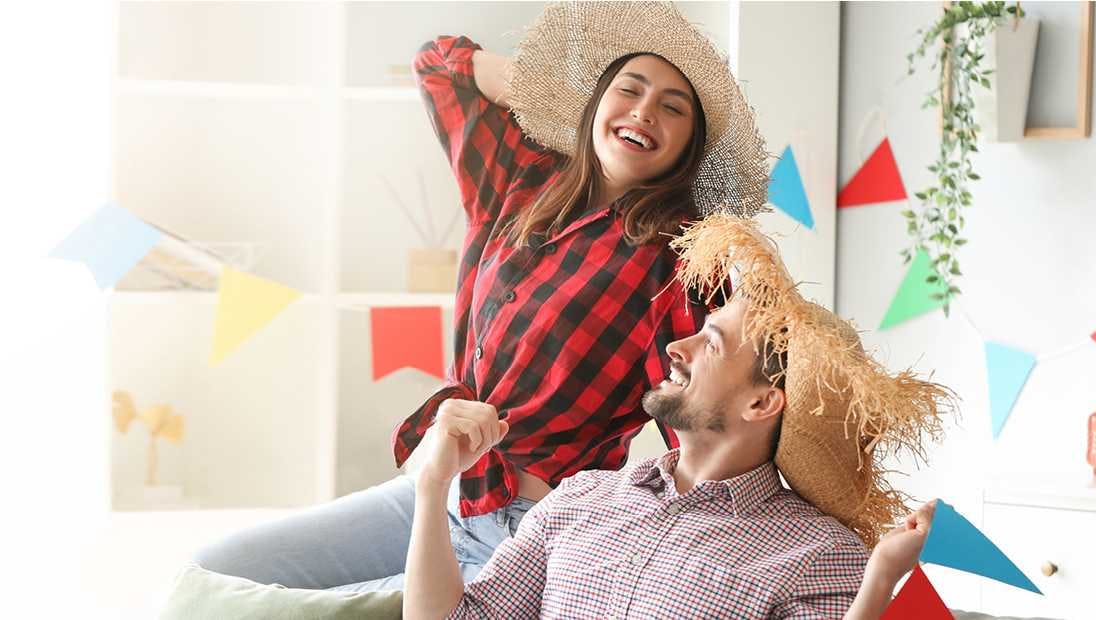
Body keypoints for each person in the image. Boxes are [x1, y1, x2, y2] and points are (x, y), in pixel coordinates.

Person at [194, 2, 770, 591]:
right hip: (431, 487)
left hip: (524, 527)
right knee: (218, 573)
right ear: (596, 104)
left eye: (672, 108)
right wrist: (548, 91)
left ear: (687, 146)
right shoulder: (521, 178)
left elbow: (701, 416)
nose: (645, 111)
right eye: (629, 90)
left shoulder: (683, 257)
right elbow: (438, 65)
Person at [403, 215, 954, 619]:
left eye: (710, 342)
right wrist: (434, 484)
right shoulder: (579, 500)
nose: (675, 346)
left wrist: (880, 580)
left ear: (762, 402)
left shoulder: (817, 552)